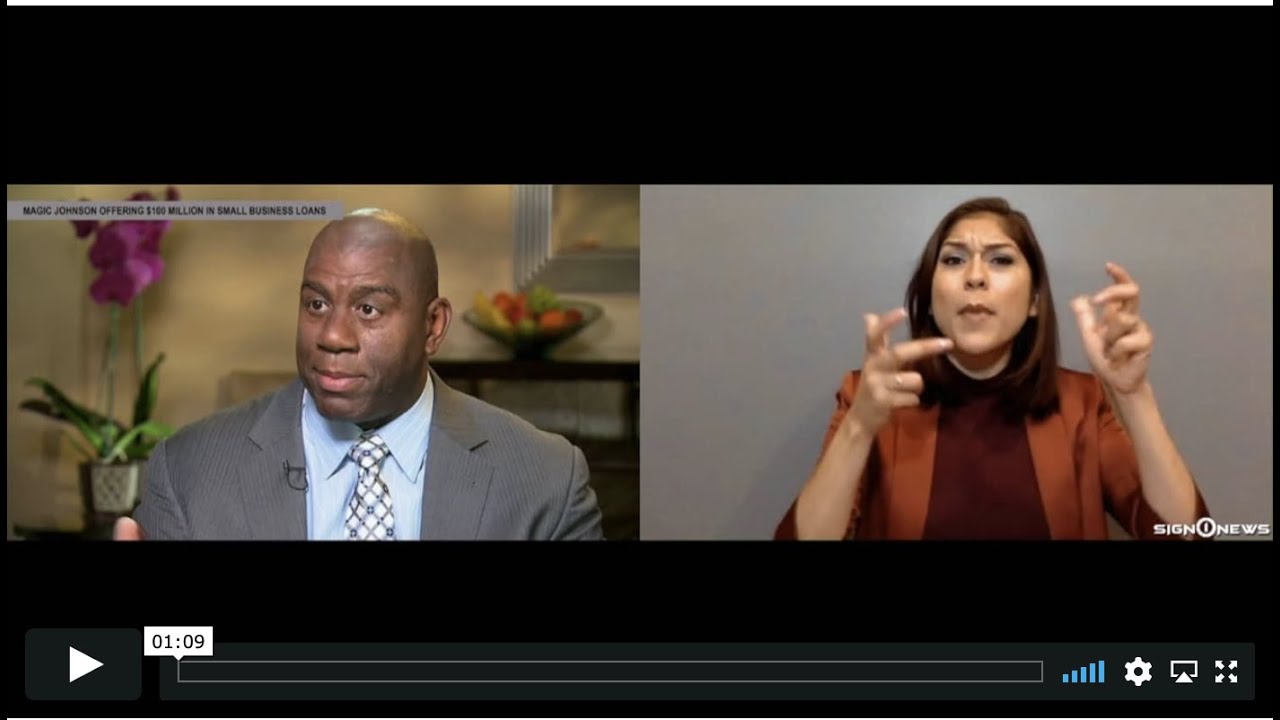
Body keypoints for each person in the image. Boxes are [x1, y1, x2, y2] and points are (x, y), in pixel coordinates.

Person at [116, 208, 604, 540]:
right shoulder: (188, 471)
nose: (332, 335)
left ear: (433, 326)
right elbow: (163, 651)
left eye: (368, 309)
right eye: (316, 304)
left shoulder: (546, 480)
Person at [774, 197, 1210, 540]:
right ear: (930, 296)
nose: (976, 276)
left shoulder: (1082, 402)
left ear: (1035, 300)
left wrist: (1133, 396)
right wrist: (859, 427)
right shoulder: (869, 398)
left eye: (1000, 259)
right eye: (953, 259)